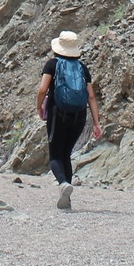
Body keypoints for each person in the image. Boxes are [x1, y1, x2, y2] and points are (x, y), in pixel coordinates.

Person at [34, 31, 103, 209]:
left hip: (58, 114)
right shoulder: (82, 68)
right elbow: (92, 97)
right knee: (66, 154)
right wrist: (96, 123)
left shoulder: (52, 64)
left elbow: (42, 89)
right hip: (79, 116)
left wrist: (39, 107)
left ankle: (63, 184)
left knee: (55, 155)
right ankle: (67, 200)